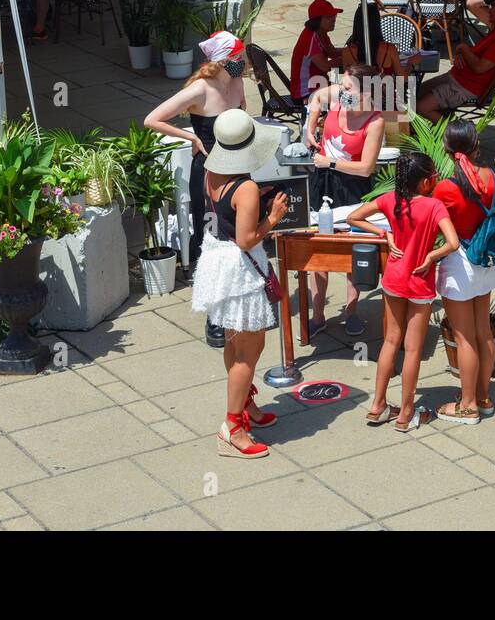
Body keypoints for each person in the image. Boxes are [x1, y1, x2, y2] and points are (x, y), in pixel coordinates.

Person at [190, 109, 289, 458]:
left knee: (233, 342)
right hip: (241, 268)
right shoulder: (245, 188)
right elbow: (248, 239)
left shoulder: (209, 170)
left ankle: (245, 403)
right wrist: (272, 218)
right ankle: (232, 427)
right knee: (250, 350)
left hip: (218, 261)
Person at [144, 32, 249, 349]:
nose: (242, 63)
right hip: (210, 173)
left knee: (238, 235)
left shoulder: (237, 82)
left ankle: (238, 301)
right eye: (237, 58)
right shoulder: (200, 89)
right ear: (221, 60)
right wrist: (190, 137)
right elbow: (152, 119)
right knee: (212, 239)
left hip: (237, 165)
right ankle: (213, 314)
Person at [347, 152, 460, 431]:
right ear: (424, 182)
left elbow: (354, 217)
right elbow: (453, 243)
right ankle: (406, 412)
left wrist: (382, 234)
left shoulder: (390, 200)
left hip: (394, 279)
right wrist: (432, 256)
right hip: (419, 283)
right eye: (432, 175)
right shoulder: (434, 207)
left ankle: (378, 405)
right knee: (412, 349)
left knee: (389, 342)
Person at [303, 64, 386, 337]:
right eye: (341, 86)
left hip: (352, 189)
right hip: (322, 183)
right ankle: (317, 316)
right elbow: (316, 98)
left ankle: (351, 312)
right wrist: (310, 125)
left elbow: (366, 168)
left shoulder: (375, 121)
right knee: (318, 250)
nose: (341, 91)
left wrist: (331, 162)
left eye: (348, 88)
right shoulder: (340, 95)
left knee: (352, 251)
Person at [433, 119, 495, 423]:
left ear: (448, 150)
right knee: (483, 331)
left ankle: (468, 405)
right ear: (476, 146)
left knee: (463, 338)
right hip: (485, 259)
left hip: (459, 262)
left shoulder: (445, 188)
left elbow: (432, 219)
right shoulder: (490, 176)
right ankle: (484, 397)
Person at [416, 0, 495, 119]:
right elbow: (475, 55)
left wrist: (463, 48)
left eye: (494, 5)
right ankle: (413, 130)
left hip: (467, 87)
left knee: (421, 107)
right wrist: (462, 52)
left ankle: (461, 134)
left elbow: (479, 67)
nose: (489, 9)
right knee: (413, 93)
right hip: (458, 78)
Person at [289, 0, 344, 103]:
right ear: (318, 20)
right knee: (355, 99)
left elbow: (333, 53)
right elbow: (325, 66)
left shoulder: (321, 33)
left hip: (319, 86)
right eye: (329, 17)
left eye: (334, 16)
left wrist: (351, 50)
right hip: (306, 93)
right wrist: (347, 57)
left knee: (353, 94)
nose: (334, 19)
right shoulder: (309, 38)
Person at [340, 3, 412, 78]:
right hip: (384, 89)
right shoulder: (389, 49)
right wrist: (411, 63)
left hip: (358, 89)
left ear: (357, 23)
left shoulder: (347, 52)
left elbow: (347, 79)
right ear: (377, 23)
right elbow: (402, 77)